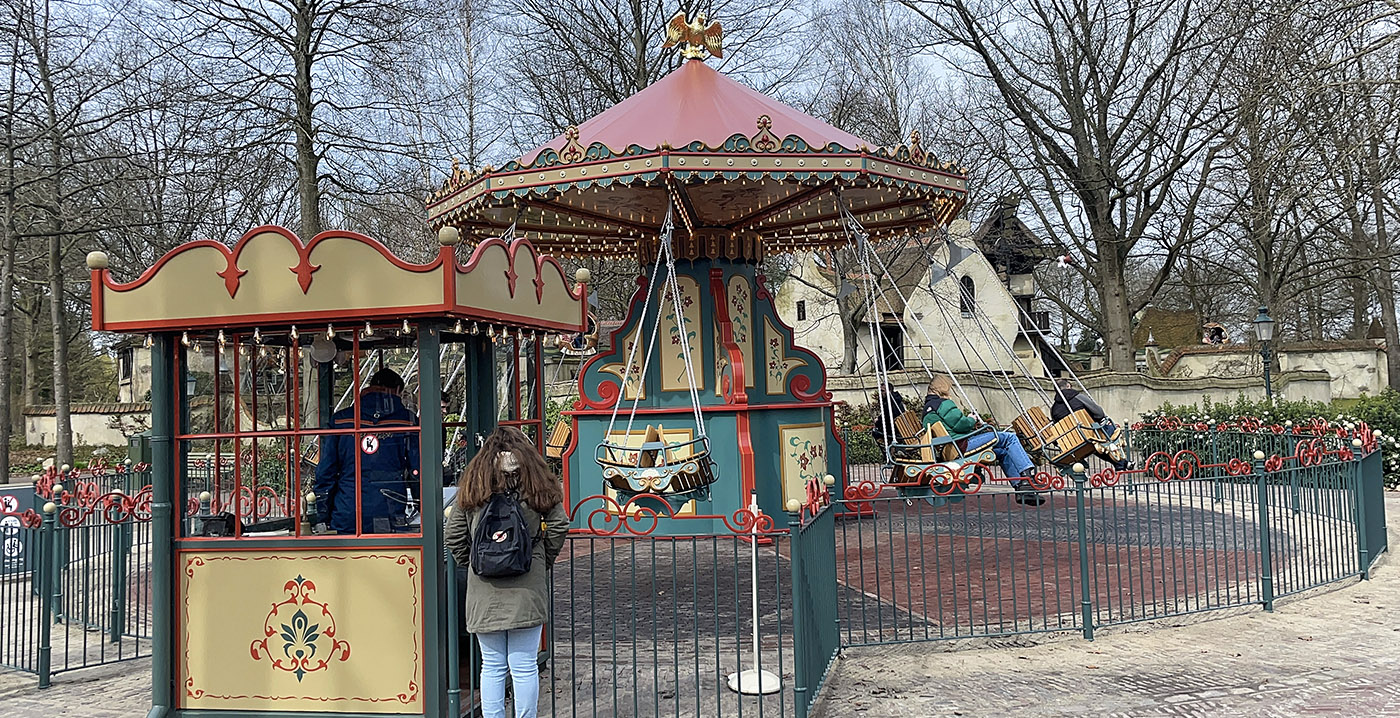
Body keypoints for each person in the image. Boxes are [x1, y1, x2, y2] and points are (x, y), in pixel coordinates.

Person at [445, 426, 568, 718]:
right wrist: (541, 560)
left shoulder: (475, 483)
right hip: (528, 584)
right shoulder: (536, 482)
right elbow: (559, 525)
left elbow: (454, 534)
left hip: (484, 587)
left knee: (492, 665)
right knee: (524, 664)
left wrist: (474, 563)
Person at [313, 368, 420, 534]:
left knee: (349, 558)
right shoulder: (408, 421)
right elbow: (417, 470)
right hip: (390, 507)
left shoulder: (342, 420)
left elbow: (326, 471)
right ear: (398, 390)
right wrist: (423, 507)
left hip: (348, 509)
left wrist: (322, 513)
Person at [922, 374, 1043, 505]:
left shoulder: (927, 410)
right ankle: (1028, 475)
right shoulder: (942, 404)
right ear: (943, 388)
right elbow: (961, 424)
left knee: (1002, 452)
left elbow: (951, 428)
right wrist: (971, 419)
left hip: (951, 448)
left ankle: (1021, 488)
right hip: (961, 445)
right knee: (1010, 438)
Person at [1049, 378, 1130, 472]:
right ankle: (1121, 464)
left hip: (1073, 442)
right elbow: (1099, 413)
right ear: (1068, 386)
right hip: (1090, 434)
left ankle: (1122, 464)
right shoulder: (1078, 397)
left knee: (1095, 445)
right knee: (1109, 430)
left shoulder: (1054, 409)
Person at [870, 382, 907, 446]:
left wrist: (877, 422)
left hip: (894, 431)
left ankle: (888, 451)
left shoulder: (890, 403)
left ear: (889, 391)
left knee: (875, 432)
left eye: (882, 391)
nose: (880, 393)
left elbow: (887, 418)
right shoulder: (896, 400)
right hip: (899, 429)